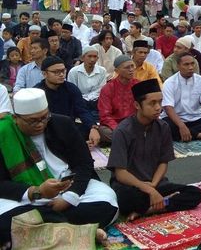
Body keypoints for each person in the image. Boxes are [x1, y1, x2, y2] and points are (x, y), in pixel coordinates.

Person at [0, 88, 118, 245]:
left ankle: (43, 230)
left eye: (44, 117)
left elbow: (84, 163)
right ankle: (79, 230)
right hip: (24, 197)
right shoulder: (3, 135)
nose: (40, 124)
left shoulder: (61, 123)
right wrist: (37, 192)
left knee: (107, 202)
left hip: (66, 186)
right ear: (15, 118)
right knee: (4, 222)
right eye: (33, 120)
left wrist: (69, 197)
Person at [107, 79, 201, 220]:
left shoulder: (163, 127)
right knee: (126, 200)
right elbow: (120, 173)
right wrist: (147, 189)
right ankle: (163, 203)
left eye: (160, 102)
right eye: (152, 103)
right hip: (131, 186)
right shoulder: (122, 131)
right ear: (137, 105)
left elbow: (163, 162)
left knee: (195, 194)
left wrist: (153, 186)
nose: (158, 107)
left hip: (156, 183)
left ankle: (149, 210)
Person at [35, 56, 99, 145]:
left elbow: (82, 110)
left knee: (94, 131)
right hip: (48, 129)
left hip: (69, 127)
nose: (61, 74)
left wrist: (93, 127)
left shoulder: (71, 88)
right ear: (44, 74)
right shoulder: (37, 92)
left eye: (63, 71)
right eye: (56, 72)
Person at [161, 53, 201, 142]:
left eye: (192, 63)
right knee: (164, 126)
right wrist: (181, 126)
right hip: (175, 120)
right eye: (186, 64)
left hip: (195, 119)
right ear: (178, 66)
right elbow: (168, 108)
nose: (191, 67)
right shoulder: (169, 82)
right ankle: (200, 135)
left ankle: (189, 134)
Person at [98, 56, 139, 144]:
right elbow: (105, 116)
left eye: (132, 66)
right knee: (103, 131)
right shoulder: (108, 88)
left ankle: (126, 140)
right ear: (117, 71)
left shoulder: (138, 85)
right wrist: (119, 129)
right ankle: (133, 140)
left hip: (135, 123)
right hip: (115, 126)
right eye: (127, 67)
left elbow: (143, 108)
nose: (131, 69)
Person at [67, 46, 107, 120]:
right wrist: (84, 99)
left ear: (97, 58)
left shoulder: (102, 71)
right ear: (82, 58)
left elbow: (101, 89)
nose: (92, 59)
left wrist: (89, 98)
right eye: (89, 56)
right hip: (78, 102)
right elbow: (72, 90)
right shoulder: (74, 71)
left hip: (96, 101)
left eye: (95, 57)